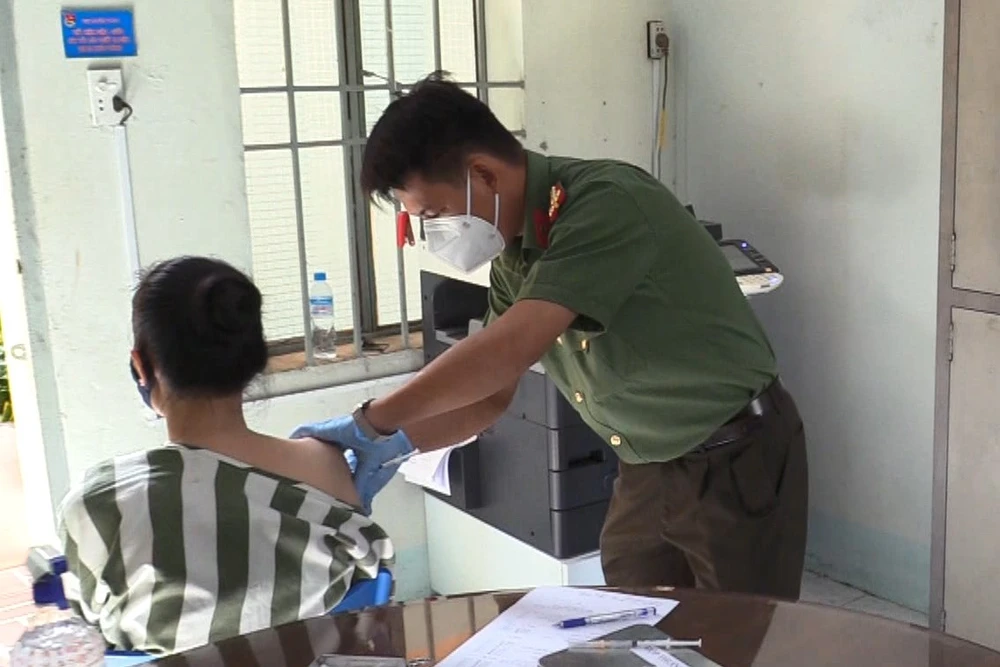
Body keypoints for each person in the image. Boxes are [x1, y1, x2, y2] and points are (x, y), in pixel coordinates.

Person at [294, 73, 807, 599]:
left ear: (483, 174)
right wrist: (398, 445)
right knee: (641, 623)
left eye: (434, 214)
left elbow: (507, 350)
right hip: (645, 468)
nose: (434, 234)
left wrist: (375, 421)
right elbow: (490, 397)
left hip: (732, 457)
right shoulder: (515, 258)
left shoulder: (607, 202)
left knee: (741, 632)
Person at [59, 256, 393, 655]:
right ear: (254, 361)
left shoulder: (99, 504)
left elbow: (88, 639)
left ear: (141, 367)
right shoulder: (325, 465)